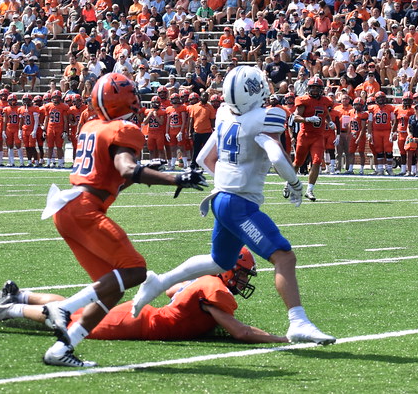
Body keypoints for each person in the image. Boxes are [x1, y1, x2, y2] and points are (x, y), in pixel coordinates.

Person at [130, 66, 335, 346]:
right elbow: (275, 156)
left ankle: (160, 281)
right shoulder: (266, 117)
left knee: (220, 261)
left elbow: (204, 158)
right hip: (239, 203)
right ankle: (298, 322)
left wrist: (228, 180)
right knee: (284, 258)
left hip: (220, 198)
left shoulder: (225, 114)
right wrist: (295, 184)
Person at [37, 72, 208, 368]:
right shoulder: (123, 129)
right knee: (135, 271)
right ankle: (64, 308)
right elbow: (127, 170)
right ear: (121, 100)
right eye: (132, 95)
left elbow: (115, 180)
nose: (136, 100)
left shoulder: (92, 125)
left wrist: (147, 171)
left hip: (72, 206)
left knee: (114, 287)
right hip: (84, 208)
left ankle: (62, 349)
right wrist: (176, 178)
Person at [0, 249, 287, 344]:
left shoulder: (204, 281)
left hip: (139, 316)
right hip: (133, 323)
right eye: (242, 273)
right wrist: (281, 339)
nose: (243, 280)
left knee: (75, 308)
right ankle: (7, 310)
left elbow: (171, 291)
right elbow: (240, 332)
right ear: (228, 270)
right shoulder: (214, 287)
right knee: (69, 320)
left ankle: (20, 294)